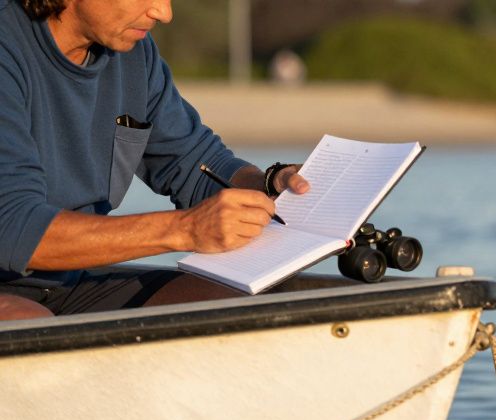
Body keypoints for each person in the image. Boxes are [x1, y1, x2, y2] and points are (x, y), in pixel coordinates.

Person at [0, 0, 311, 321]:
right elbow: (13, 229)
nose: (163, 12)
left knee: (256, 305)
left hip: (72, 283)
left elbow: (197, 163)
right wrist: (186, 230)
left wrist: (270, 185)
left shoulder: (133, 52)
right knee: (27, 322)